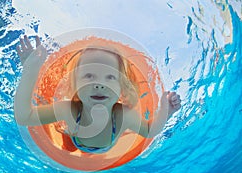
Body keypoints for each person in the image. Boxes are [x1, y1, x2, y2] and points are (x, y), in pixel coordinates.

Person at [14, 35, 181, 154]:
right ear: (75, 83)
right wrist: (31, 70)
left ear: (122, 87)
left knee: (85, 159)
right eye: (89, 75)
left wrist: (167, 111)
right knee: (67, 149)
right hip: (74, 138)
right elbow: (24, 117)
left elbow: (149, 131)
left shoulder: (123, 115)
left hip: (104, 148)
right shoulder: (69, 110)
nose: (99, 84)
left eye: (110, 77)